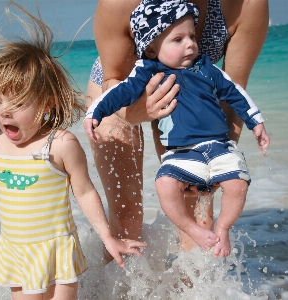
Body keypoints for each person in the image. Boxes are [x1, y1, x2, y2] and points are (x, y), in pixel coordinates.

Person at [0, 2, 146, 299]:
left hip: (56, 247)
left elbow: (84, 192)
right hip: (17, 250)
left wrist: (108, 237)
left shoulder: (60, 146)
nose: (5, 113)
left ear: (46, 103)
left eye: (18, 103)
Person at [84, 0, 270, 258]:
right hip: (119, 91)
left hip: (193, 100)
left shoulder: (246, 4)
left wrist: (219, 160)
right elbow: (113, 77)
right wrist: (142, 111)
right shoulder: (119, 3)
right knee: (127, 216)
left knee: (199, 212)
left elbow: (231, 93)